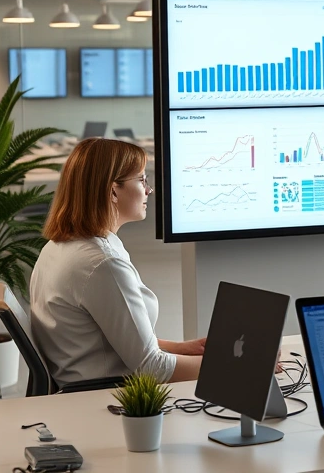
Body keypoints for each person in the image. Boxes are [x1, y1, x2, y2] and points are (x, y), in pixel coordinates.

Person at [30, 138, 204, 387]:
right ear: (113, 191)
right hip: (109, 398)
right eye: (142, 180)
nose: (148, 190)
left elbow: (111, 338)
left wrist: (183, 348)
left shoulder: (59, 247)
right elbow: (152, 368)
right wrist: (242, 366)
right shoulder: (102, 265)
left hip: (88, 387)